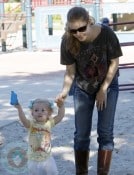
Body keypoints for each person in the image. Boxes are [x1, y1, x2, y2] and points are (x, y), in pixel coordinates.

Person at [55, 6, 122, 175]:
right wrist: (64, 92)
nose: (78, 33)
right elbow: (70, 72)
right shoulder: (67, 40)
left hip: (108, 85)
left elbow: (115, 62)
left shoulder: (106, 34)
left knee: (105, 133)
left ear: (89, 22)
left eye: (81, 28)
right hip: (82, 88)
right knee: (81, 135)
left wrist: (103, 89)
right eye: (73, 30)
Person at [10, 91, 65, 175]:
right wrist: (19, 108)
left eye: (43, 110)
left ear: (49, 113)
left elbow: (60, 116)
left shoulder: (49, 123)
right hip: (33, 158)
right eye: (36, 110)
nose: (39, 112)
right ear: (32, 113)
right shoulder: (31, 124)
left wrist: (61, 106)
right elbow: (23, 120)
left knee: (53, 172)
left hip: (47, 157)